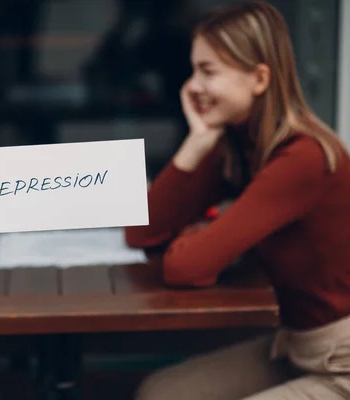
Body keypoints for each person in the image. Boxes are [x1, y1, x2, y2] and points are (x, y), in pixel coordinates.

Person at [125, 2, 350, 399]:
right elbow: (142, 231)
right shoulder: (238, 144)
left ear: (259, 78)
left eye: (208, 71)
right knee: (162, 392)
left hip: (340, 364)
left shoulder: (303, 157)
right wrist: (196, 142)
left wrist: (202, 235)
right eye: (194, 69)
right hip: (293, 345)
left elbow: (185, 266)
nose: (192, 86)